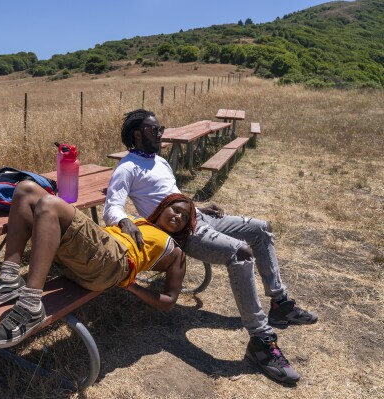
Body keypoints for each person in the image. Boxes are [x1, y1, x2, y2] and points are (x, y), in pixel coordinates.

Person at [103, 109, 318, 384]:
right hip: (184, 232)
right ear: (137, 134)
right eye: (154, 130)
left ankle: (281, 303)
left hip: (198, 217)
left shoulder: (159, 161)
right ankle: (261, 341)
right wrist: (125, 221)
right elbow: (112, 206)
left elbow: (171, 193)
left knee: (261, 228)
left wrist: (195, 205)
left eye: (161, 128)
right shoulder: (127, 167)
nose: (161, 133)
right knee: (240, 253)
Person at [0, 181, 196, 350]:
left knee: (49, 204)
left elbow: (169, 302)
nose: (178, 217)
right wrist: (125, 220)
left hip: (113, 263)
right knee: (25, 190)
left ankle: (30, 305)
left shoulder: (175, 251)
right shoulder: (137, 221)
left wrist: (132, 286)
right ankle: (9, 279)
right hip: (86, 258)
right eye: (176, 209)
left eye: (185, 218)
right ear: (163, 206)